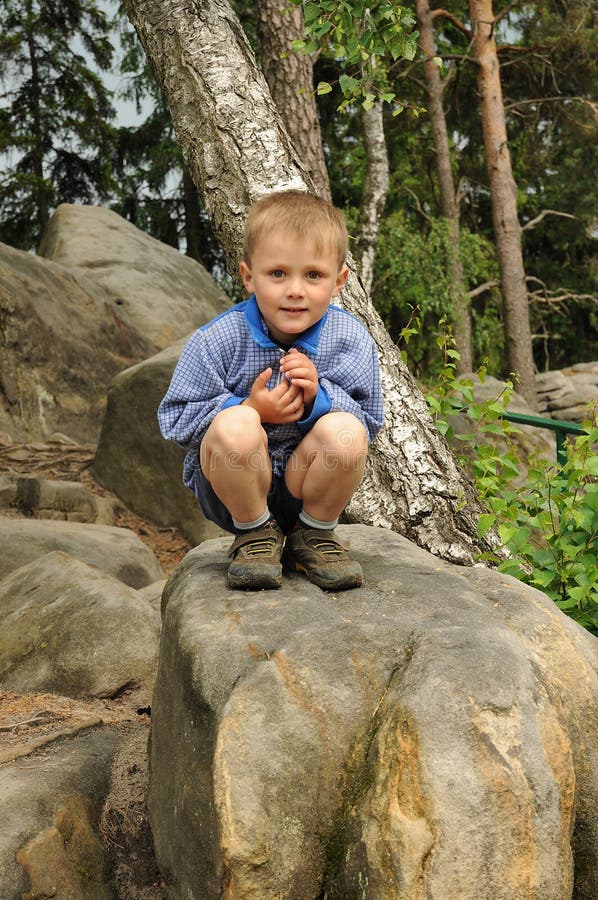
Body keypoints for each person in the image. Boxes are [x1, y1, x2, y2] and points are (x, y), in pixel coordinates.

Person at [158, 189, 384, 591]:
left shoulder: (350, 338)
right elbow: (175, 418)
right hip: (236, 487)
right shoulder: (218, 340)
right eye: (278, 273)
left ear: (339, 281)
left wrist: (319, 399)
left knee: (346, 432)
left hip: (307, 483)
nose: (295, 290)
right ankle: (255, 534)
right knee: (237, 423)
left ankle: (313, 534)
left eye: (313, 275)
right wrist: (251, 408)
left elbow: (369, 424)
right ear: (248, 276)